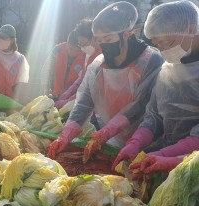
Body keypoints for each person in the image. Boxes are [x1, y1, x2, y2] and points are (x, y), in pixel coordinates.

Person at [48, 1, 163, 159]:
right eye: (100, 41)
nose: (104, 46)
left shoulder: (150, 60)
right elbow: (84, 103)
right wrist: (66, 135)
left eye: (108, 40)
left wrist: (107, 131)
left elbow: (142, 104)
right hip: (114, 140)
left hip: (147, 140)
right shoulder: (98, 65)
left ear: (128, 33)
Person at [113, 1, 199, 174]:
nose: (163, 50)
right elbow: (155, 115)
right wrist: (135, 143)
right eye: (157, 45)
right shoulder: (168, 69)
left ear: (191, 30)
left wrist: (166, 155)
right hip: (167, 161)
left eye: (166, 43)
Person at [55, 19, 102, 109]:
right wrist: (69, 91)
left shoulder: (102, 58)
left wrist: (68, 101)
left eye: (83, 44)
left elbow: (89, 90)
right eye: (80, 45)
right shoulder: (89, 55)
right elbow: (83, 79)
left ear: (94, 38)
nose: (82, 48)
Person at [0, 24, 30, 98]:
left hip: (14, 104)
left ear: (12, 40)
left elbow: (21, 85)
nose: (0, 40)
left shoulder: (21, 60)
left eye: (4, 38)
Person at [41, 30, 83, 100]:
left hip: (73, 98)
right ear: (67, 43)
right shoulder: (57, 49)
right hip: (53, 94)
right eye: (71, 48)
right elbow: (46, 70)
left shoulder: (86, 55)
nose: (73, 53)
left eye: (78, 50)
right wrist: (46, 89)